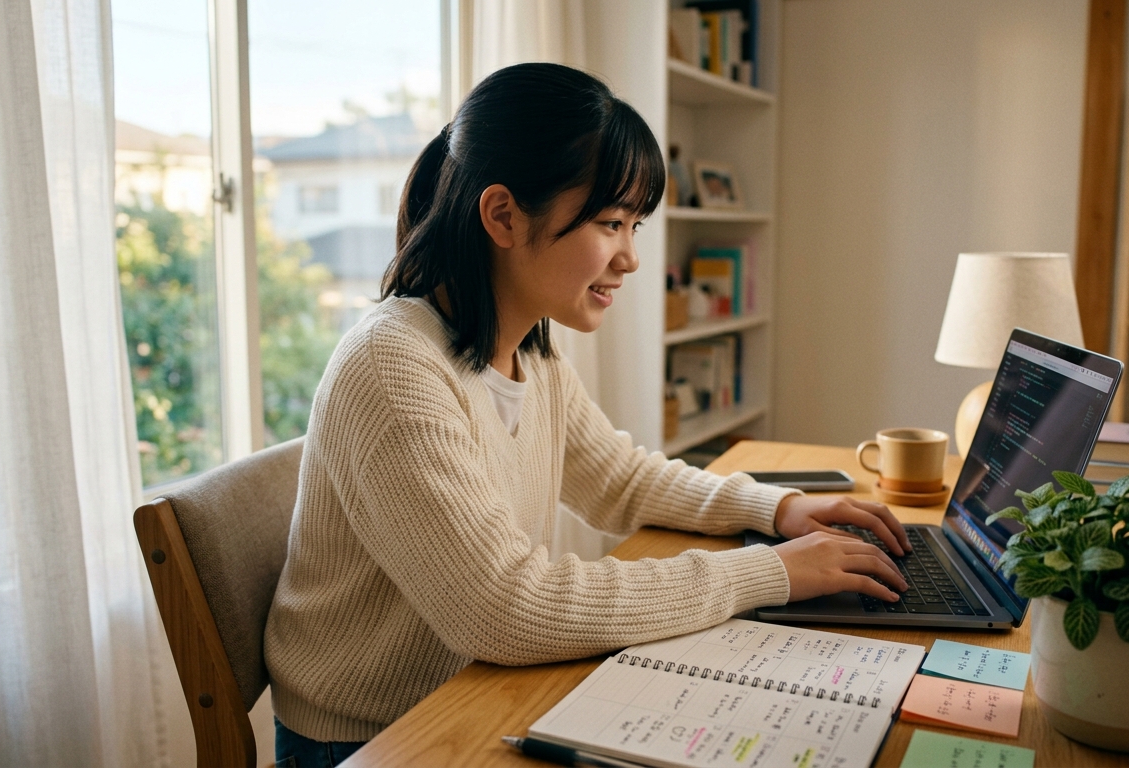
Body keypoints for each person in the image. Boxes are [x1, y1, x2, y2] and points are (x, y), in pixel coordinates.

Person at [263, 63, 910, 767]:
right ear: (504, 215)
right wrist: (770, 573)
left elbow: (619, 480)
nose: (631, 257)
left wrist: (776, 510)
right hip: (372, 736)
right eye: (610, 223)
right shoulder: (393, 367)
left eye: (634, 224)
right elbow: (505, 608)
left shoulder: (526, 349)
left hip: (474, 691)